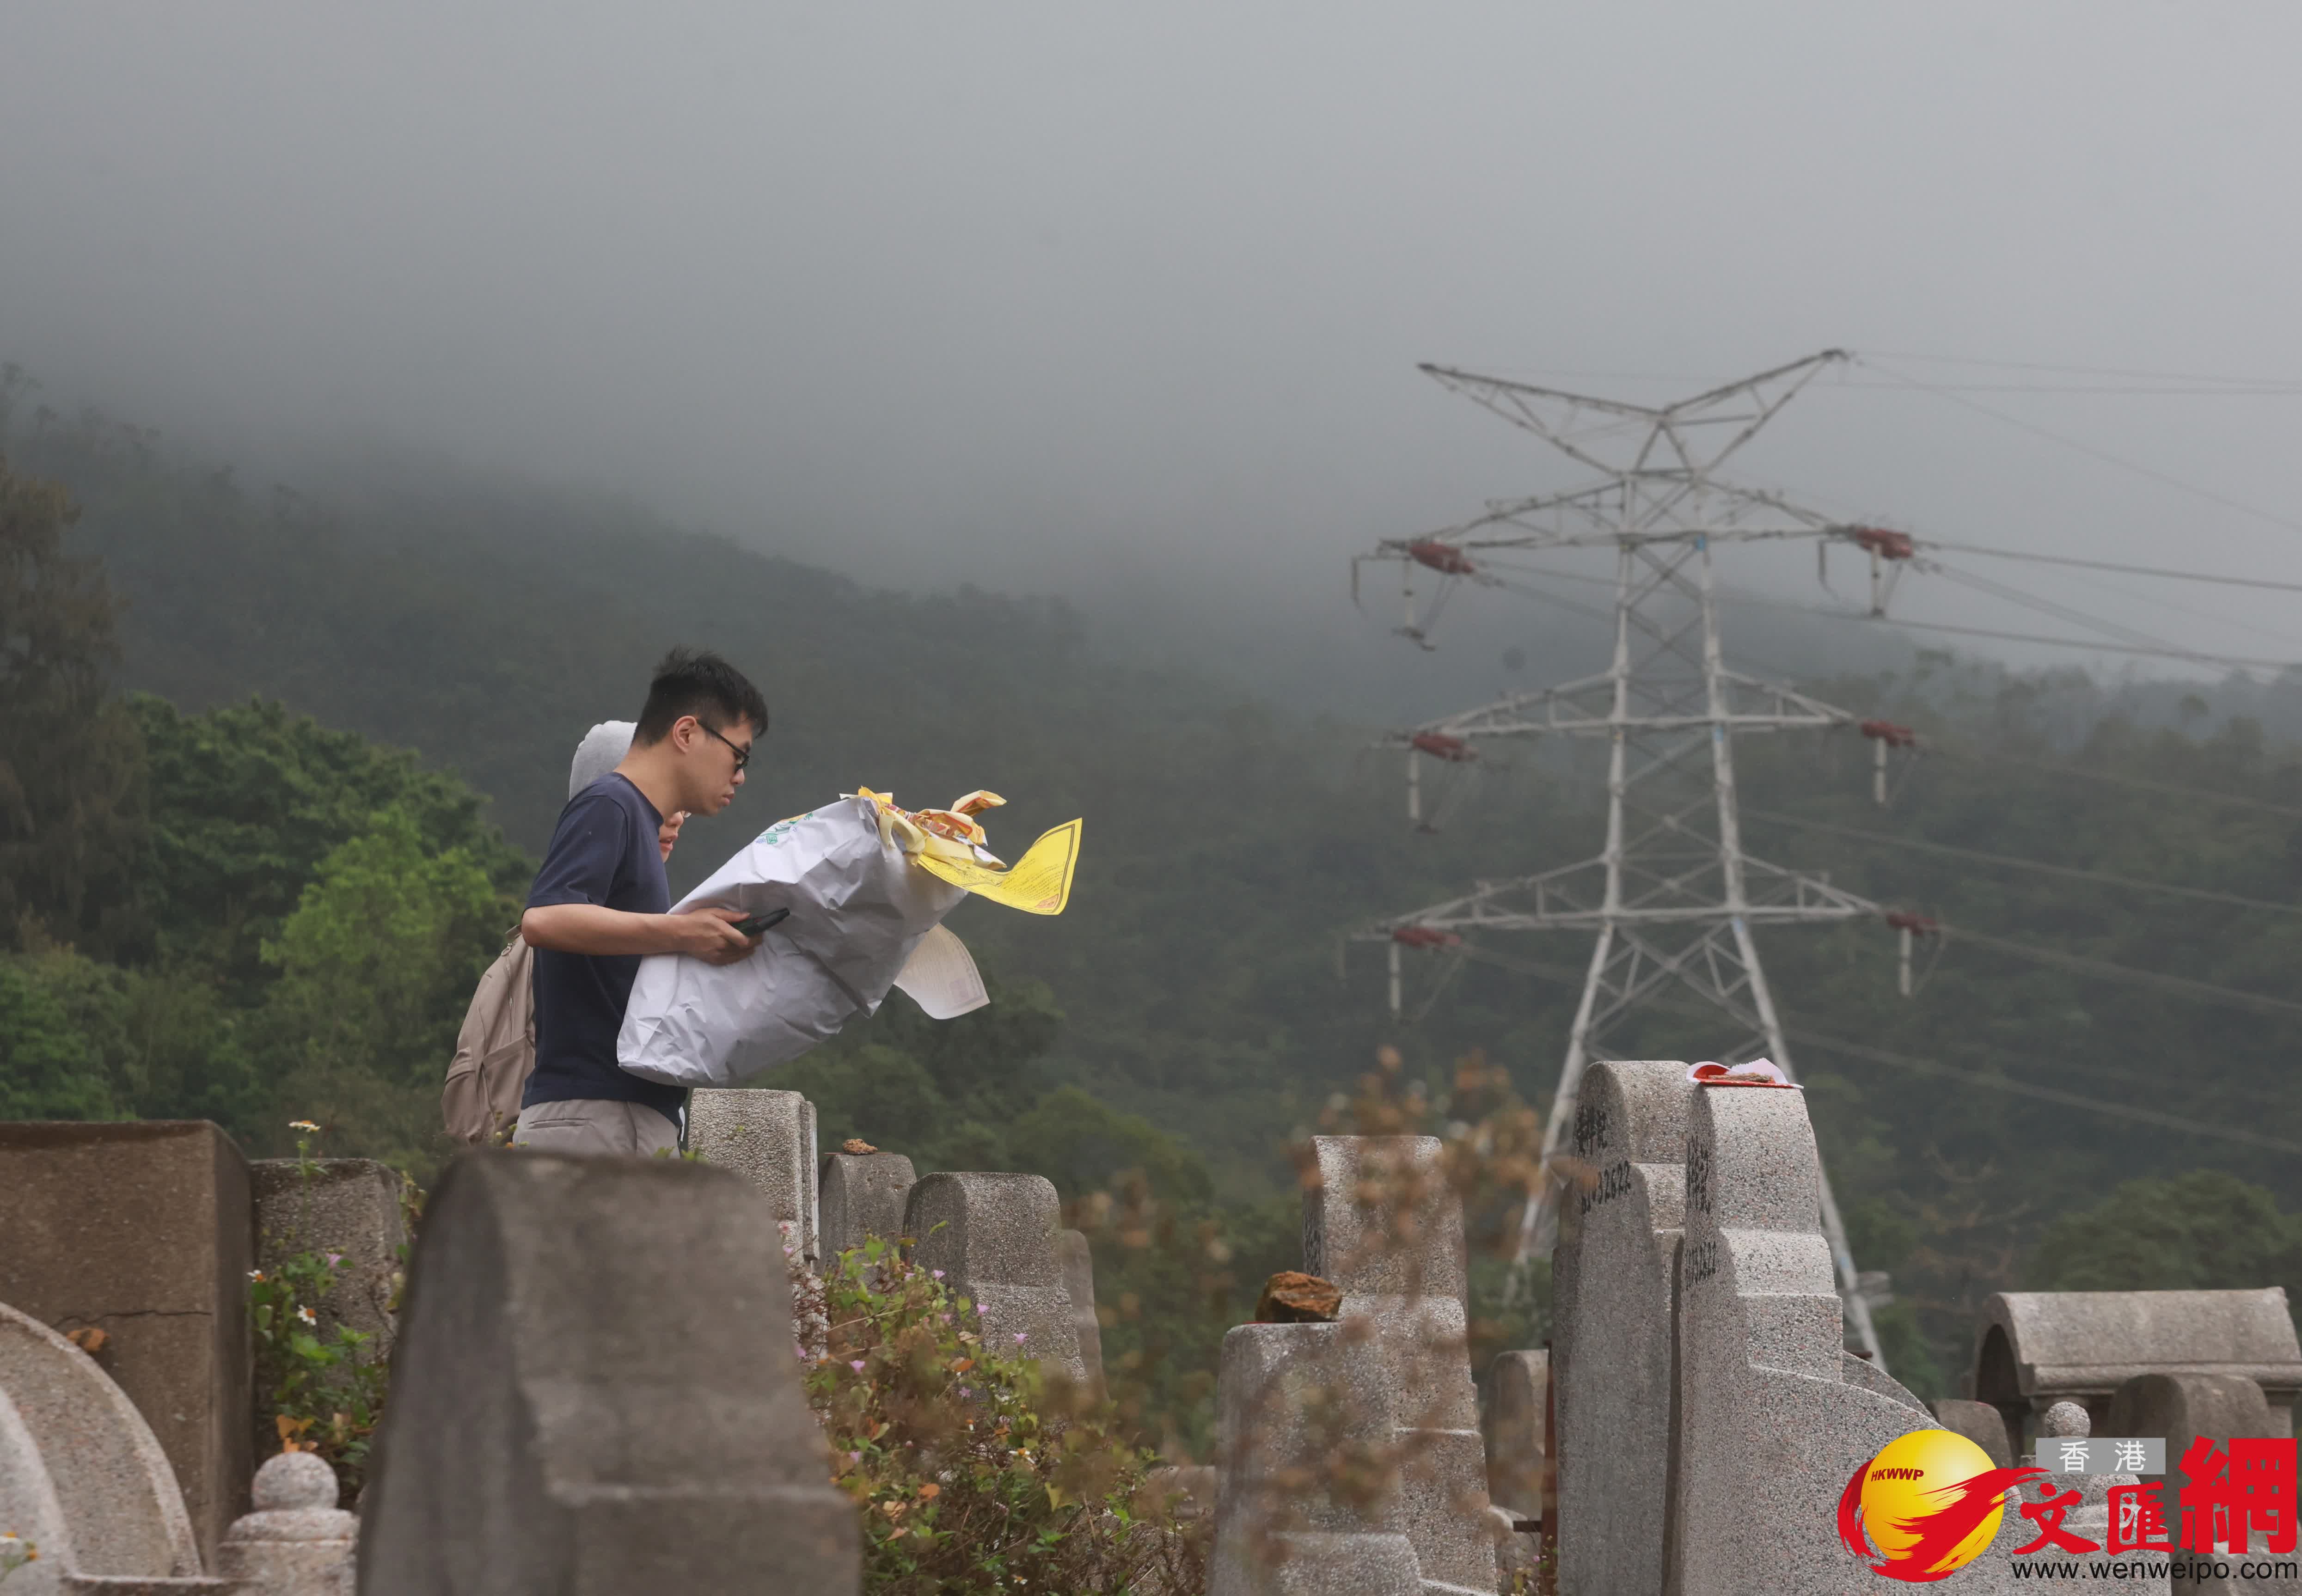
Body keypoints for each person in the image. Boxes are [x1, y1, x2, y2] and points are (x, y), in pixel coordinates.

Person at [512, 648, 771, 1155]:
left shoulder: (637, 821)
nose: (740, 775)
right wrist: (684, 932)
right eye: (739, 755)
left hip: (621, 1114)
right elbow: (543, 920)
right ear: (687, 733)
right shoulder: (612, 803)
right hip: (594, 1114)